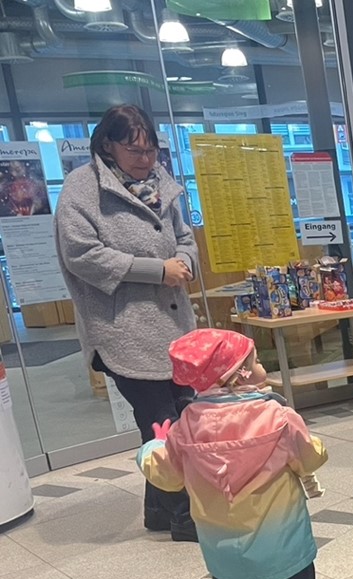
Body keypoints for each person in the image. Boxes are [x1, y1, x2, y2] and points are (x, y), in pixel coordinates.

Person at [138, 328, 330, 579]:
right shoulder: (277, 417)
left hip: (222, 550)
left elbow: (169, 476)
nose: (261, 367)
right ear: (238, 375)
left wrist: (151, 448)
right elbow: (310, 458)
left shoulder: (187, 424)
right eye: (255, 361)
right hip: (281, 547)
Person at [55, 104, 200, 542]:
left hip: (172, 326)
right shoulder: (82, 189)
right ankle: (184, 516)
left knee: (181, 414)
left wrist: (185, 261)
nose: (144, 157)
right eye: (132, 148)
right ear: (107, 145)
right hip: (123, 330)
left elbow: (186, 236)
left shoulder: (163, 186)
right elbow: (81, 255)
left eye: (150, 147)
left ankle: (158, 509)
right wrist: (158, 269)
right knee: (162, 423)